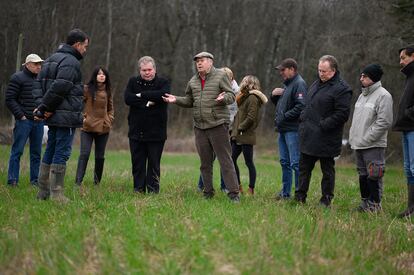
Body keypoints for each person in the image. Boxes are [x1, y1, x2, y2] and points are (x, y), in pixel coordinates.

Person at [163, 51, 240, 202]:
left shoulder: (220, 76)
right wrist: (176, 99)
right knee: (205, 163)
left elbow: (231, 96)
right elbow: (189, 100)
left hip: (218, 125)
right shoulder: (193, 81)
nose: (199, 63)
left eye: (202, 60)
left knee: (225, 160)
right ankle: (208, 192)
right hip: (200, 127)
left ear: (210, 62)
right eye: (197, 61)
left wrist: (223, 97)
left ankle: (234, 194)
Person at [32, 29, 89, 203]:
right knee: (61, 152)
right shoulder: (71, 62)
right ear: (77, 45)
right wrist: (46, 107)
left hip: (53, 114)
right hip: (65, 117)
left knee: (50, 149)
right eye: (85, 46)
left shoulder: (50, 59)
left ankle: (43, 192)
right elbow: (61, 87)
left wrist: (43, 107)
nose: (85, 50)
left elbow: (37, 86)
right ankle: (57, 194)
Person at [294, 55, 352, 207]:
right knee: (304, 169)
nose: (321, 73)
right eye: (319, 70)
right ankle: (300, 197)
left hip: (326, 137)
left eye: (324, 71)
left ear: (333, 70)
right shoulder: (316, 84)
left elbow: (342, 114)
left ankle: (326, 200)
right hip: (308, 135)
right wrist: (302, 117)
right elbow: (308, 104)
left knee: (327, 171)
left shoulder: (342, 89)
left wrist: (324, 125)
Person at [349, 64, 393, 212]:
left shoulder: (384, 95)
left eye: (365, 76)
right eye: (361, 75)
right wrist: (354, 137)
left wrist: (368, 138)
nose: (361, 78)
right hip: (359, 143)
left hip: (373, 144)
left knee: (374, 174)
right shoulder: (362, 95)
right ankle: (365, 203)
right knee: (363, 174)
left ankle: (375, 205)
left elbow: (384, 121)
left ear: (373, 78)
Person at [124, 56, 170, 194]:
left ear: (154, 69)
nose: (147, 72)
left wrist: (140, 95)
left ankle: (153, 191)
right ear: (140, 70)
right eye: (144, 70)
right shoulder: (133, 81)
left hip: (157, 132)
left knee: (154, 164)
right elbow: (127, 98)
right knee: (137, 163)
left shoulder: (163, 82)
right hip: (136, 131)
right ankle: (138, 189)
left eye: (149, 69)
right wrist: (147, 102)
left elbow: (162, 95)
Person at [197, 67, 239, 193]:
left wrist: (226, 127)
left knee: (225, 159)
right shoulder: (214, 89)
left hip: (225, 128)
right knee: (207, 159)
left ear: (231, 79)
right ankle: (202, 185)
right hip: (211, 127)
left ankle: (225, 186)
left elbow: (233, 113)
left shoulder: (234, 93)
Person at [5, 54, 44, 187]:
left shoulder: (41, 79)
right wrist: (20, 115)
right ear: (27, 65)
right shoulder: (17, 78)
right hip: (24, 121)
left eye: (40, 64)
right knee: (17, 151)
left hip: (39, 121)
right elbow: (9, 99)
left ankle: (35, 181)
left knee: (36, 153)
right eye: (36, 64)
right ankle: (12, 181)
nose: (39, 66)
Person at [270, 58, 307, 200]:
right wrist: (274, 96)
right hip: (283, 129)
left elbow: (301, 106)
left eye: (283, 70)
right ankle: (285, 193)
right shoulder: (287, 85)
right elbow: (281, 105)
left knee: (295, 163)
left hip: (293, 130)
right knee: (284, 162)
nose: (281, 73)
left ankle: (299, 194)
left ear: (292, 69)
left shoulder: (299, 84)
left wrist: (284, 117)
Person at [75, 66, 114, 186]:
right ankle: (78, 182)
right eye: (99, 74)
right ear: (95, 76)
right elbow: (77, 103)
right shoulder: (87, 89)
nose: (102, 76)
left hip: (103, 127)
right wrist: (82, 117)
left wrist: (109, 119)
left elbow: (111, 108)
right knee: (84, 154)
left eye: (104, 74)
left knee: (100, 156)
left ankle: (97, 183)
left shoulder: (108, 91)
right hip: (87, 127)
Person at [231, 75, 267, 195]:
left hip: (246, 135)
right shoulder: (244, 97)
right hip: (237, 134)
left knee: (248, 162)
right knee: (232, 159)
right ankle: (238, 186)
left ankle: (251, 189)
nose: (242, 82)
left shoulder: (252, 98)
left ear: (250, 83)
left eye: (245, 81)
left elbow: (251, 117)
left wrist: (240, 128)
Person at [394, 44, 414, 218]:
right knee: (408, 169)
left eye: (403, 58)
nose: (400, 62)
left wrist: (408, 113)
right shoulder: (409, 77)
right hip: (406, 128)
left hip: (412, 127)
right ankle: (411, 208)